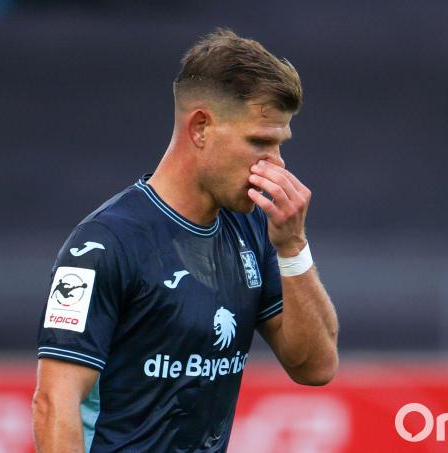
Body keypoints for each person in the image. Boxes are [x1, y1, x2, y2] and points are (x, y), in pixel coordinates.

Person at [33, 28, 339, 453]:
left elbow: (317, 366)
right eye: (259, 142)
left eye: (280, 144)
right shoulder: (103, 245)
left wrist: (293, 247)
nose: (276, 164)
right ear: (200, 128)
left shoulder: (253, 228)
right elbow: (55, 403)